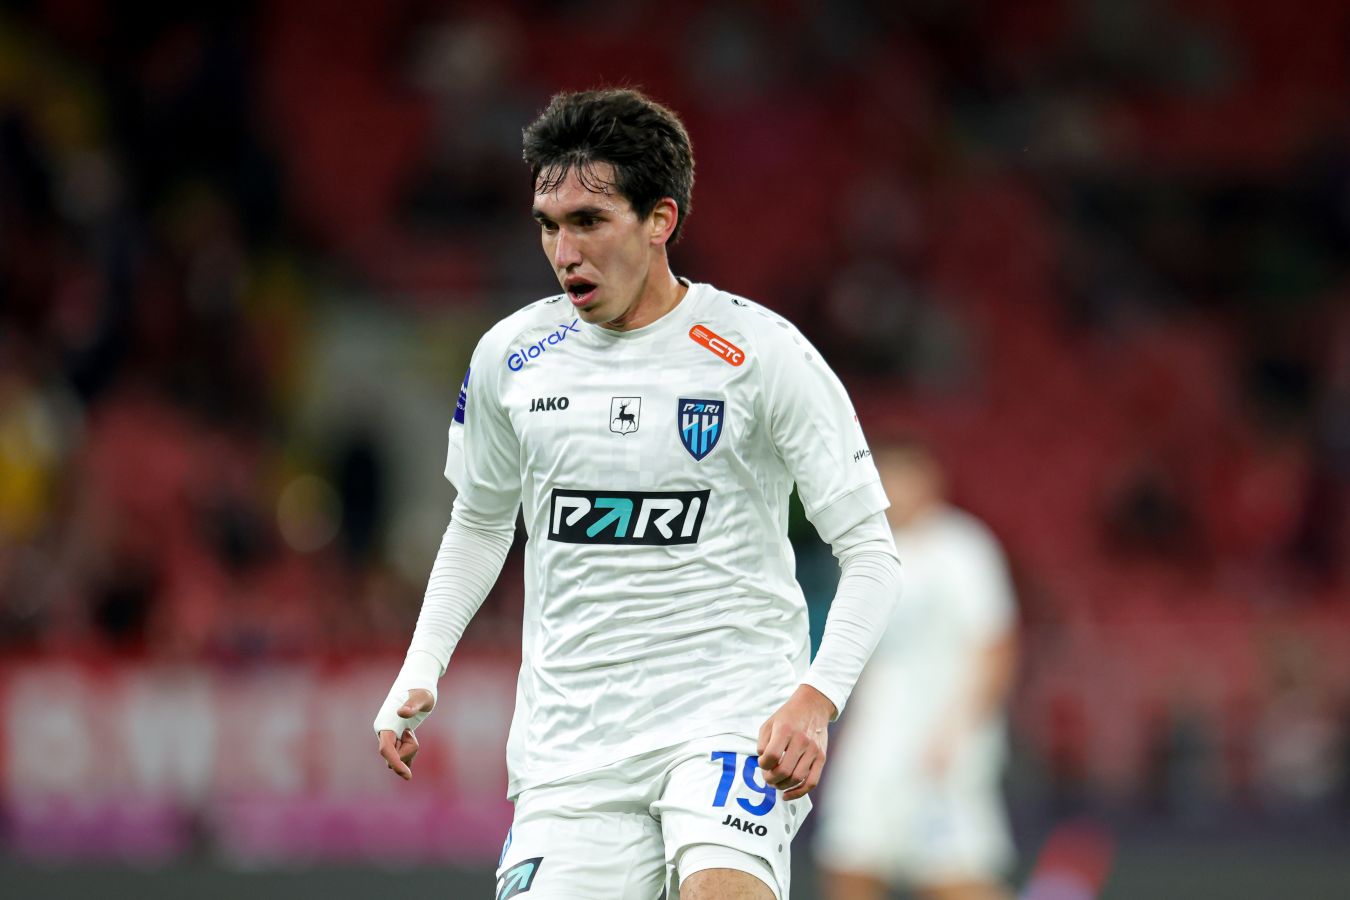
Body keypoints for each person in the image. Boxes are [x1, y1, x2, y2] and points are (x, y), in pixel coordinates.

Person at [372, 88, 903, 900]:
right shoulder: (511, 358)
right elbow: (480, 522)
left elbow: (870, 552)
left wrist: (815, 699)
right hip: (570, 747)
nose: (564, 251)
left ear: (660, 219)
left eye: (589, 221)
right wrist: (421, 666)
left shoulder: (761, 354)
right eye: (549, 225)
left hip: (730, 719)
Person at [814, 440, 1019, 900]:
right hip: (877, 739)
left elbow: (996, 646)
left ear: (928, 482)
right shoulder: (870, 552)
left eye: (902, 478)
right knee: (850, 861)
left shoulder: (962, 547)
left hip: (941, 739)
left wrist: (960, 731)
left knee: (949, 876)